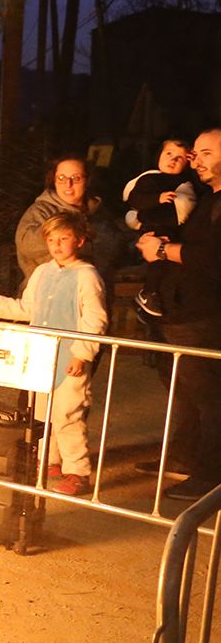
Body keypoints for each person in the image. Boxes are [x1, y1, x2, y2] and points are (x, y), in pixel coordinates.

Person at [0, 211, 107, 496]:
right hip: (41, 357)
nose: (57, 245)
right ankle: (50, 462)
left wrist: (82, 354)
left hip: (70, 360)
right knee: (44, 413)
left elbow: (94, 319)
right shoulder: (43, 272)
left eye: (64, 238)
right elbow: (28, 308)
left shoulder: (87, 276)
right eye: (51, 239)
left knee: (67, 415)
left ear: (80, 240)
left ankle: (78, 471)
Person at [134, 128, 221, 501]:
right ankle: (186, 457)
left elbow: (212, 258)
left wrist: (163, 251)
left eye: (204, 152)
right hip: (182, 312)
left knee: (209, 397)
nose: (194, 160)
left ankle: (210, 475)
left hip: (201, 316)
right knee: (185, 392)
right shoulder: (208, 199)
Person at [122, 138, 196, 318]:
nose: (173, 160)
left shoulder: (185, 183)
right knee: (158, 260)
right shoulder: (150, 178)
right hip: (154, 228)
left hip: (170, 230)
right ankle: (148, 293)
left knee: (165, 263)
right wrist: (157, 198)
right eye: (169, 154)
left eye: (180, 158)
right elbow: (136, 199)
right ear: (159, 156)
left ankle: (152, 293)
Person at [14, 155, 92, 282]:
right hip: (46, 295)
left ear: (87, 181)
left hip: (91, 295)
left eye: (76, 178)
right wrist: (63, 229)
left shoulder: (99, 214)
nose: (68, 184)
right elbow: (26, 245)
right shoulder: (40, 211)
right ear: (53, 180)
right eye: (61, 178)